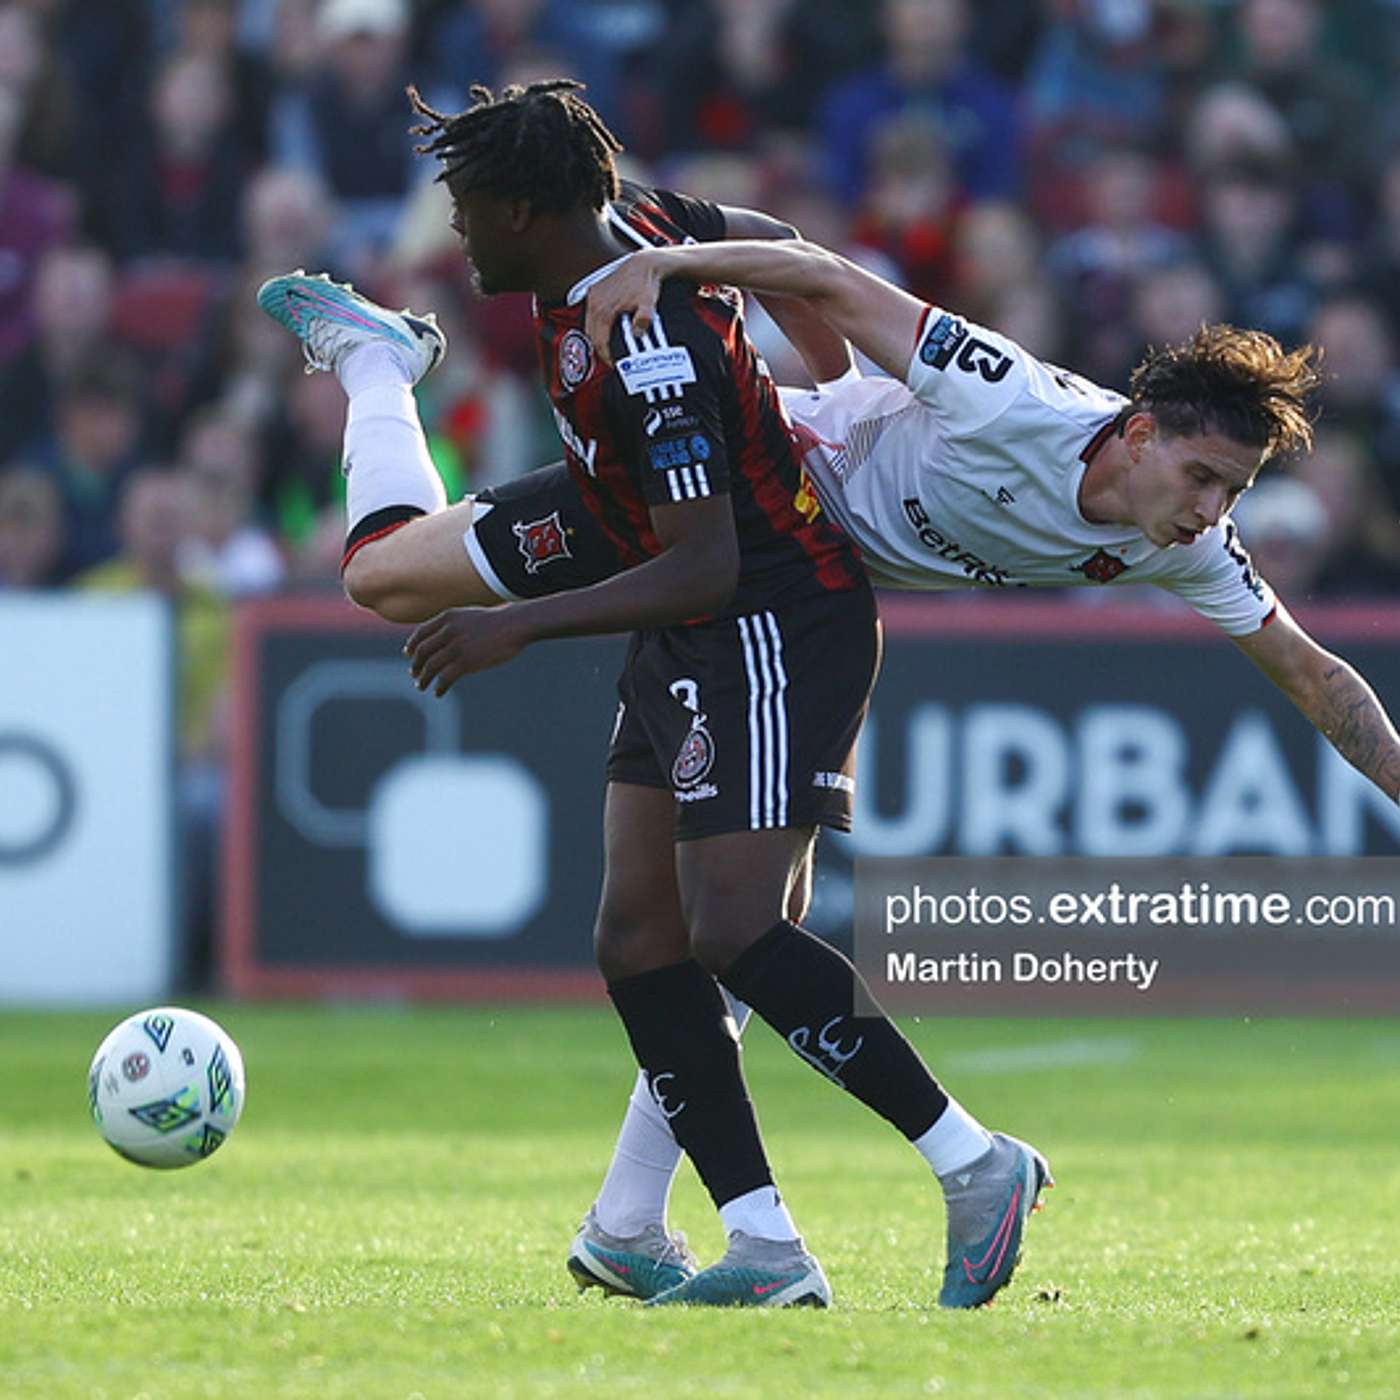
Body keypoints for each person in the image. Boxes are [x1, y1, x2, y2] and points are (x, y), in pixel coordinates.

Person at [257, 79, 1050, 1311]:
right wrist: (818, 386)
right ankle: (752, 1241)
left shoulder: (646, 347)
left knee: (734, 926)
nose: (453, 234)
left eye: (467, 209)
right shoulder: (630, 224)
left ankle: (972, 1159)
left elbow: (708, 559)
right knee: (637, 933)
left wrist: (513, 627)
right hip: (648, 562)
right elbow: (784, 252)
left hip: (767, 618)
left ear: (526, 210)